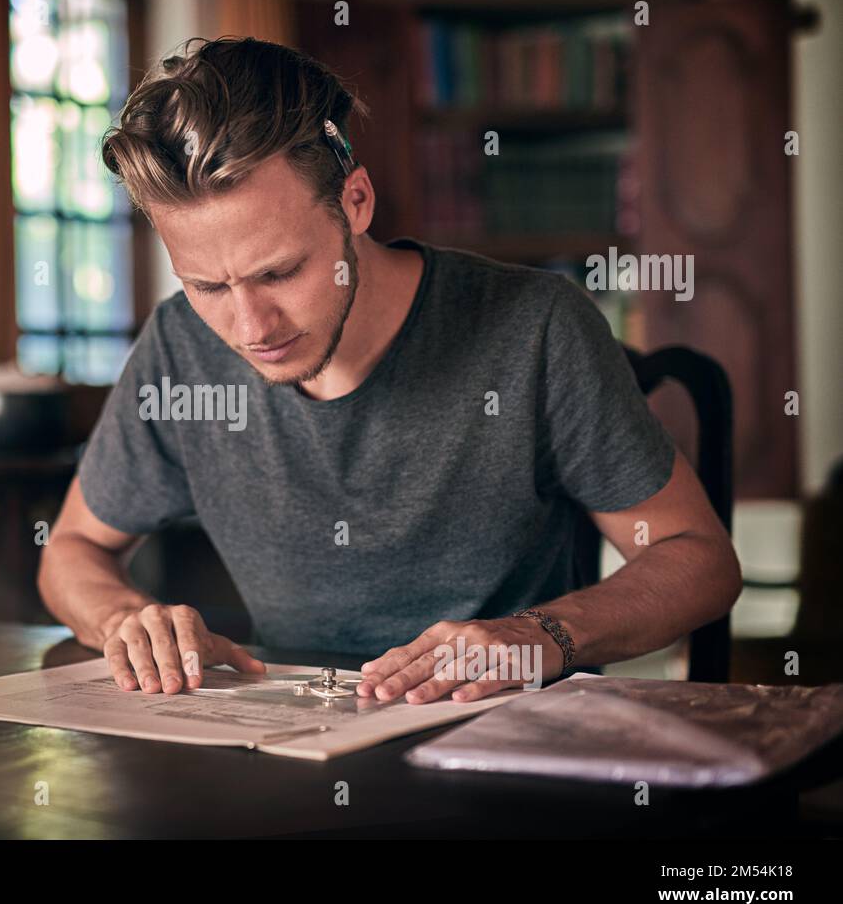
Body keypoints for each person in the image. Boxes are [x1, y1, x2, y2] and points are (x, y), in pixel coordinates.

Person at [37, 37, 741, 705]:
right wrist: (126, 618)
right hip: (285, 741)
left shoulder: (536, 326)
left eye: (279, 272)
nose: (251, 328)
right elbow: (72, 550)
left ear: (357, 201)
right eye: (209, 287)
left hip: (507, 748)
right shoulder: (180, 348)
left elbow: (699, 559)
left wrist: (539, 635)